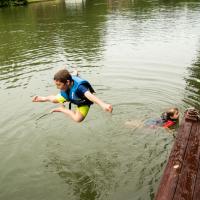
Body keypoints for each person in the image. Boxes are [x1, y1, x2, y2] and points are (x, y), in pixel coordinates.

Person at [32, 69, 113, 122]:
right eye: (56, 85)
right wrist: (75, 72)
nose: (57, 87)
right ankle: (43, 98)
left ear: (67, 82)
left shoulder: (80, 87)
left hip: (82, 102)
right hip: (68, 95)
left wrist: (103, 104)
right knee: (53, 100)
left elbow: (90, 96)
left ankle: (62, 109)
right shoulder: (68, 81)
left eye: (59, 85)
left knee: (78, 119)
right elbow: (72, 75)